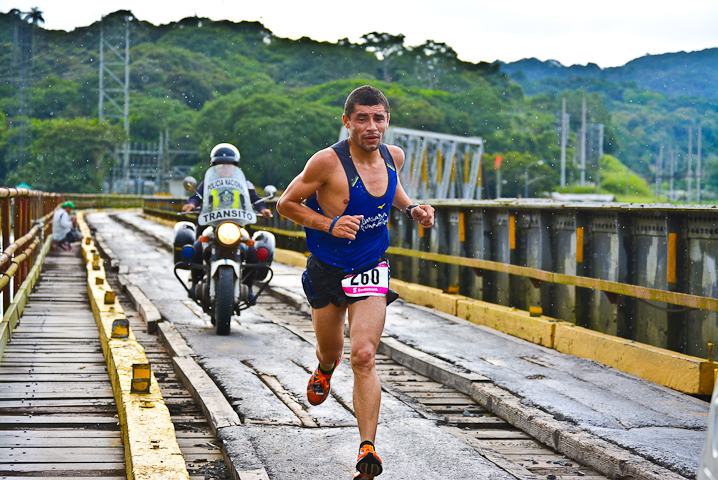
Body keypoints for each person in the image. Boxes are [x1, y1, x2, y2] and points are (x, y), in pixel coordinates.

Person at [276, 85, 434, 478]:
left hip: (370, 267)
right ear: (347, 121)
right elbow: (286, 204)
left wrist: (412, 207)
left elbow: (392, 190)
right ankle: (324, 368)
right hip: (327, 269)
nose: (371, 126)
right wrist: (328, 224)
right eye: (362, 118)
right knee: (331, 351)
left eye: (378, 118)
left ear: (387, 120)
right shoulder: (325, 163)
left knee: (363, 355)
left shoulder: (394, 156)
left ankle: (367, 449)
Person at [179, 143, 272, 306]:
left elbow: (255, 199)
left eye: (229, 164)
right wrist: (191, 205)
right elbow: (197, 197)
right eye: (220, 164)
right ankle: (195, 282)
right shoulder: (207, 183)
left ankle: (249, 286)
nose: (225, 168)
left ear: (235, 166)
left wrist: (263, 209)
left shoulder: (245, 184)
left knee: (252, 250)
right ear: (214, 166)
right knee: (197, 247)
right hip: (213, 226)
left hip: (237, 226)